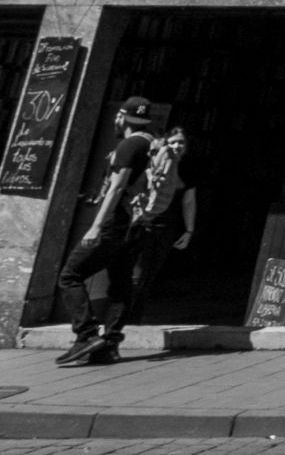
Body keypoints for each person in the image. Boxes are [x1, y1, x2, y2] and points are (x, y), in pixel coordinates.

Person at [54, 97, 175, 367]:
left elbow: (117, 187)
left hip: (117, 223)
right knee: (121, 283)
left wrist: (96, 226)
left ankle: (86, 335)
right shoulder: (153, 143)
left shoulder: (129, 145)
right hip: (139, 224)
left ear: (121, 117)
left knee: (70, 276)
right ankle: (109, 345)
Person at [119, 127, 197, 327]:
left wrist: (189, 230)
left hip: (167, 226)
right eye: (173, 142)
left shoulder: (187, 168)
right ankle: (121, 321)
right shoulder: (154, 161)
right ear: (165, 144)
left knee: (149, 275)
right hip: (145, 222)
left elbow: (189, 201)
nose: (177, 146)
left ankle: (134, 321)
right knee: (136, 274)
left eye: (181, 142)